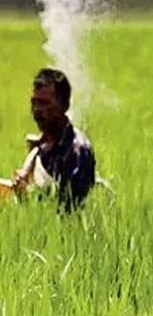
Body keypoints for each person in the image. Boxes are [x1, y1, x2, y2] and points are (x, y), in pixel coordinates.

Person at [12, 68, 96, 212]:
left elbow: (70, 212)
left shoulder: (77, 152)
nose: (37, 110)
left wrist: (28, 195)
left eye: (45, 103)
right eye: (34, 102)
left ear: (64, 106)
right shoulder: (43, 146)